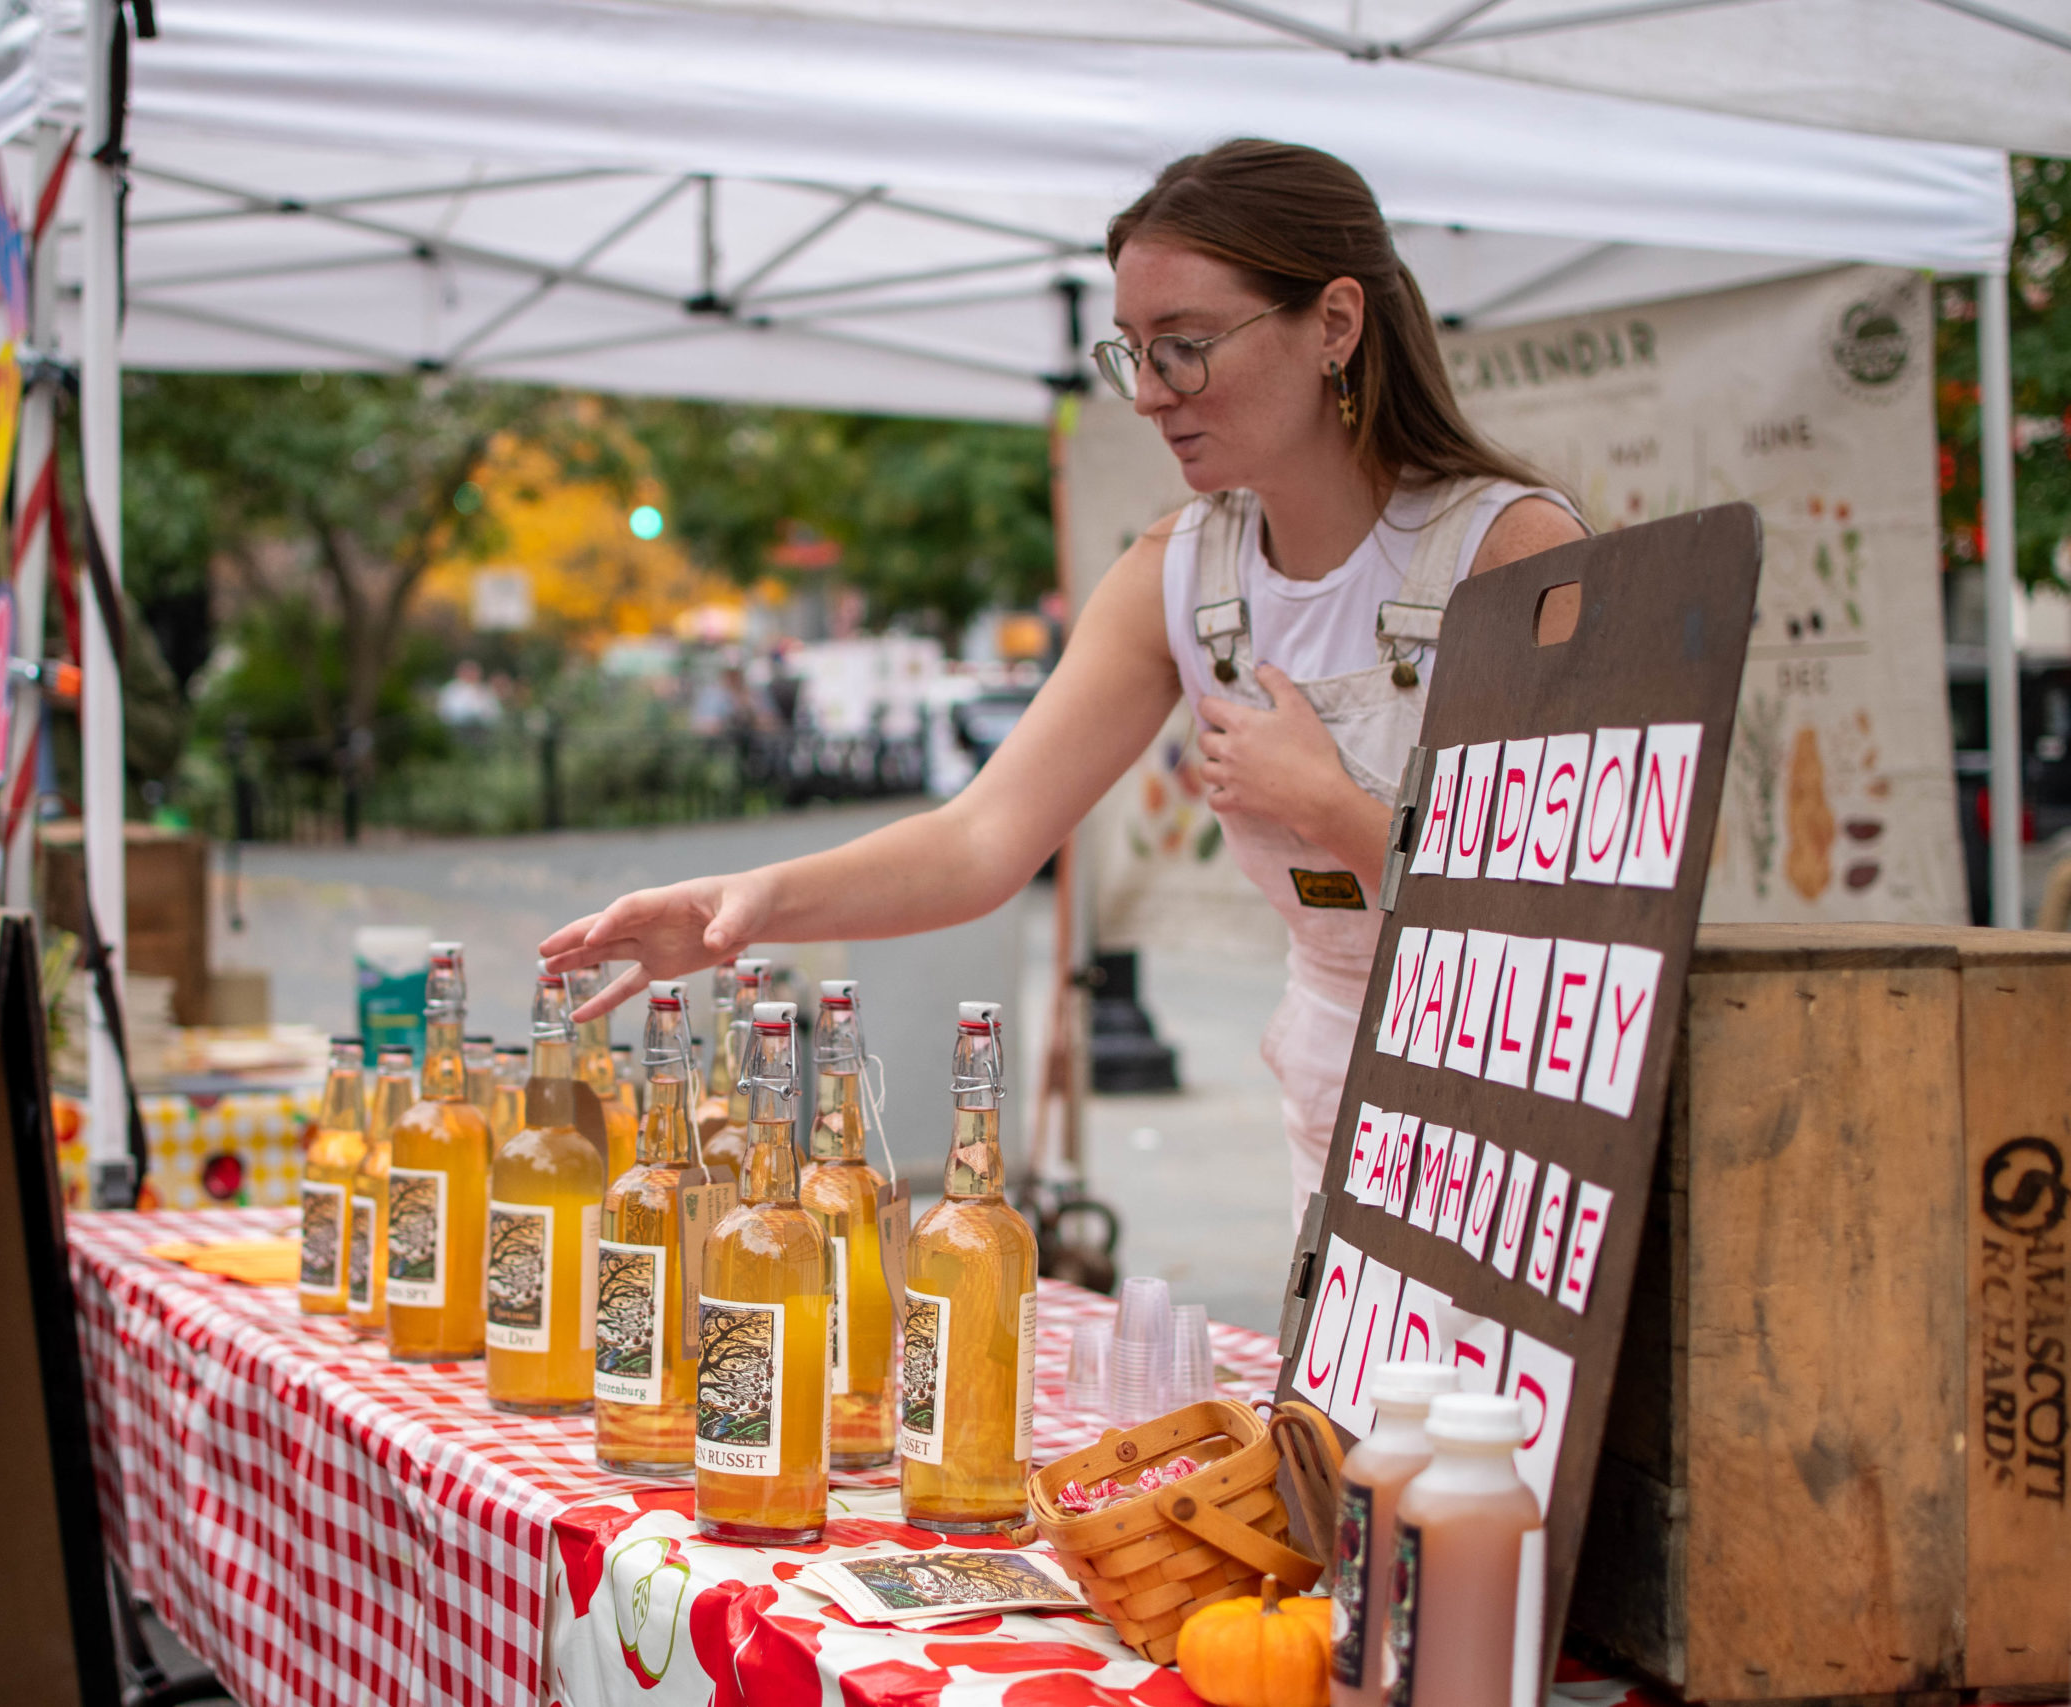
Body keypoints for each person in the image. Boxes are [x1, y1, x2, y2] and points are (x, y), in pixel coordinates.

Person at [543, 140, 1587, 1220]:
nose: (1146, 394)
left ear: (1333, 323)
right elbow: (980, 840)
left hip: (1530, 1092)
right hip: (1335, 1085)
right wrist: (740, 908)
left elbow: (1582, 913)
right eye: (1128, 351)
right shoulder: (1179, 571)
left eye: (1183, 347)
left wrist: (1329, 806)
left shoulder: (1508, 551)